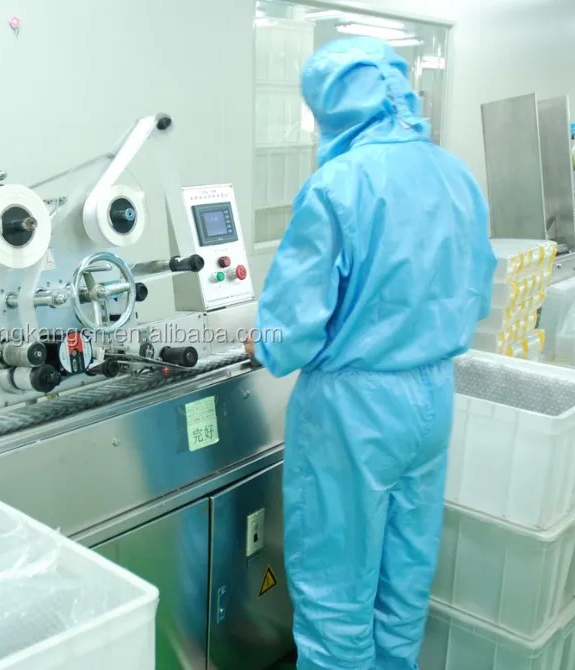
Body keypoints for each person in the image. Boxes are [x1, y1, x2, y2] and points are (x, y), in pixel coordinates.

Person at [245, 37, 496, 670]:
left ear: (331, 108)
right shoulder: (455, 174)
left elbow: (290, 331)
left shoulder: (338, 185)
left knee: (336, 589)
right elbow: (476, 288)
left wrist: (262, 342)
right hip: (433, 397)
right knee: (403, 575)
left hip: (354, 413)